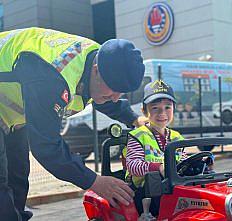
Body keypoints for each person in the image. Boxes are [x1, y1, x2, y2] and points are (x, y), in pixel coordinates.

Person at [0, 27, 147, 221]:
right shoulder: (52, 77)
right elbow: (46, 147)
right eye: (113, 90)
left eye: (121, 92)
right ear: (96, 70)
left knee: (17, 177)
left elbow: (102, 97)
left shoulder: (98, 58)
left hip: (8, 113)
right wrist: (94, 181)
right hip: (15, 97)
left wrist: (134, 118)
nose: (115, 97)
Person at [125, 79, 184, 216]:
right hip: (143, 193)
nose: (162, 113)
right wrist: (158, 167)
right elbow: (133, 165)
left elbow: (184, 160)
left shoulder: (177, 137)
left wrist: (201, 162)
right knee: (155, 180)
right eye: (155, 108)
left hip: (173, 188)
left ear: (174, 109)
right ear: (144, 112)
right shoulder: (138, 135)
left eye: (167, 107)